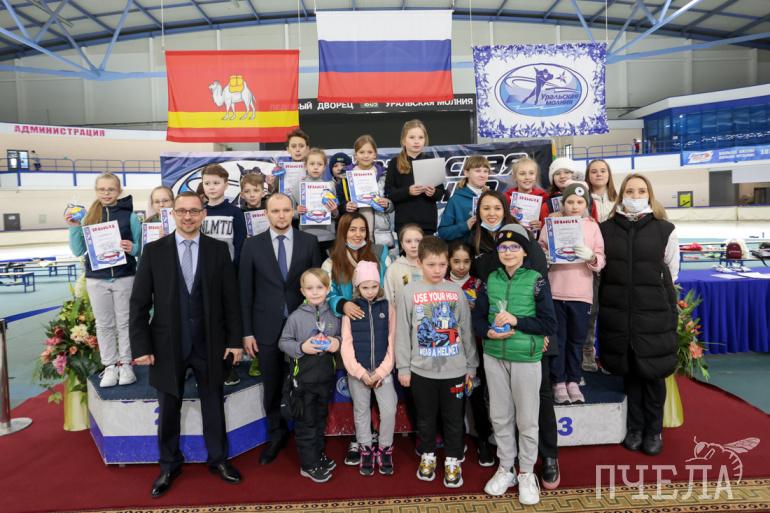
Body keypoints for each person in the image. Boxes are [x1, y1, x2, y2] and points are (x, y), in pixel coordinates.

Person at [129, 192, 244, 498]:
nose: (188, 216)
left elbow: (231, 300)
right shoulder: (154, 252)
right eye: (182, 211)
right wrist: (141, 347)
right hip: (166, 344)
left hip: (211, 343)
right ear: (173, 214)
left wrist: (234, 341)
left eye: (194, 211)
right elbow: (139, 303)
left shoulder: (218, 250)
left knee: (213, 404)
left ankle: (218, 459)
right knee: (168, 409)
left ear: (203, 215)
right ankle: (169, 465)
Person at [472, 224, 556, 505]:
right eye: (503, 247)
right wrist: (489, 332)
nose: (508, 252)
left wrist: (516, 321)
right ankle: (506, 467)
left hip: (525, 358)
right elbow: (478, 319)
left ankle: (527, 472)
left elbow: (548, 323)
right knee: (500, 415)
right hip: (494, 356)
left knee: (527, 419)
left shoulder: (536, 280)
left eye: (514, 247)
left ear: (524, 251)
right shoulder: (490, 280)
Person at [598, 174, 679, 457]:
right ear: (621, 195)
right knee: (630, 372)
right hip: (619, 312)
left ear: (649, 194)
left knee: (653, 374)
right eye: (630, 191)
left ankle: (653, 429)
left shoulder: (665, 229)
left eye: (641, 191)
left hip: (653, 313)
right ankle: (634, 427)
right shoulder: (606, 229)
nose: (635, 195)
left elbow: (672, 271)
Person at [239, 193, 323, 465]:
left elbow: (318, 289)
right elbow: (245, 292)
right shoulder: (252, 245)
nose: (281, 215)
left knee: (305, 386)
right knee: (273, 385)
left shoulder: (309, 241)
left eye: (286, 210)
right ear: (266, 213)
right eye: (275, 211)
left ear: (293, 212)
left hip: (304, 330)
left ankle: (306, 437)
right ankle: (275, 435)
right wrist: (247, 332)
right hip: (265, 330)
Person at [395, 236, 478, 488]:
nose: (437, 270)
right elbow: (402, 331)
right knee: (425, 417)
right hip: (421, 370)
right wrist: (403, 367)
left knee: (454, 418)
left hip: (454, 369)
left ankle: (453, 459)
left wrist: (471, 366)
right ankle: (428, 454)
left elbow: (466, 330)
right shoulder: (409, 292)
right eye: (431, 264)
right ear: (419, 263)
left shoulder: (456, 292)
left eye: (442, 264)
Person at [65, 172, 141, 388]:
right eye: (102, 189)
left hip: (124, 276)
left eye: (111, 189)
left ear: (119, 191)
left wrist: (132, 248)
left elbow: (141, 248)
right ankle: (110, 366)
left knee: (124, 323)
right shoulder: (87, 217)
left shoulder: (130, 217)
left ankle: (126, 364)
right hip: (97, 279)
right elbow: (78, 250)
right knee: (104, 324)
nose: (106, 193)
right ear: (96, 191)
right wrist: (73, 227)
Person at [538, 182, 605, 405]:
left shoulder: (592, 227)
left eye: (579, 202)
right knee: (558, 339)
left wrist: (591, 257)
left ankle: (573, 380)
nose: (575, 206)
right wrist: (545, 257)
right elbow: (540, 248)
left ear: (586, 204)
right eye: (570, 202)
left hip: (581, 294)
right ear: (562, 203)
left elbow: (601, 258)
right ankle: (558, 381)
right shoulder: (551, 225)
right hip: (556, 291)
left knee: (576, 340)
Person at [278, 268, 342, 483]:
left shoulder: (333, 315)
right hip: (303, 382)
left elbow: (341, 337)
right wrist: (301, 347)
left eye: (320, 287)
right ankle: (308, 465)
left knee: (320, 420)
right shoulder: (296, 317)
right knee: (306, 424)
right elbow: (283, 342)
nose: (315, 292)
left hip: (325, 379)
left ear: (328, 289)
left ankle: (317, 455)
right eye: (310, 288)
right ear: (302, 291)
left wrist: (336, 343)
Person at [340, 261, 397, 477]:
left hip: (383, 372)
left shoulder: (387, 308)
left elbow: (392, 341)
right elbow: (346, 345)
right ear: (357, 287)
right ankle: (365, 448)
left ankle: (385, 448)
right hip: (359, 373)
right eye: (365, 287)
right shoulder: (351, 311)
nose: (370, 291)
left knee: (389, 410)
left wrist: (382, 372)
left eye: (374, 286)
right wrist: (361, 373)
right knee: (361, 411)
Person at [447, 240, 494, 467]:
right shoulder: (442, 284)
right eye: (456, 261)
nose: (461, 266)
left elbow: (488, 315)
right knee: (452, 398)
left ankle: (483, 439)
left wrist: (477, 309)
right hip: (448, 350)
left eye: (466, 261)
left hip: (476, 348)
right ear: (448, 261)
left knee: (476, 396)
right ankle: (454, 441)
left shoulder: (479, 284)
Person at [583, 159, 618, 372]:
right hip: (592, 260)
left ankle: (610, 353)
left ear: (609, 174)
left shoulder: (619, 200)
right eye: (594, 171)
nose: (598, 174)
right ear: (588, 175)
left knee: (612, 311)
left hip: (615, 262)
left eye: (603, 171)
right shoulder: (582, 199)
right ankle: (588, 350)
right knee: (592, 310)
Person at [385, 119, 445, 235]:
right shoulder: (395, 162)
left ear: (425, 140)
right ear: (403, 140)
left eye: (420, 137)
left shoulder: (431, 162)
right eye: (412, 137)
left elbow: (441, 193)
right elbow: (389, 193)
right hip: (404, 223)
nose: (416, 141)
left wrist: (433, 192)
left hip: (427, 224)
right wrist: (408, 191)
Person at [341, 135, 395, 248]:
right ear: (355, 155)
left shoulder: (384, 175)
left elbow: (392, 201)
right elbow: (340, 203)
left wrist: (387, 204)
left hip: (380, 233)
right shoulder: (346, 177)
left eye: (370, 152)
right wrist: (346, 206)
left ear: (375, 154)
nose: (366, 155)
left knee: (379, 259)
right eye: (361, 152)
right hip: (355, 233)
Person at [291, 148, 339, 255]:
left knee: (326, 265)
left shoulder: (330, 186)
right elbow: (290, 213)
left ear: (324, 167)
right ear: (305, 166)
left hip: (327, 235)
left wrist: (334, 211)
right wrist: (297, 212)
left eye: (320, 164)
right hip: (306, 235)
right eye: (312, 164)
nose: (316, 167)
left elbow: (336, 214)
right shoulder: (297, 187)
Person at [200, 164, 247, 267]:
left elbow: (240, 246)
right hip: (203, 269)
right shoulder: (199, 212)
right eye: (207, 183)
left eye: (216, 183)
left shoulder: (236, 212)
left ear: (226, 185)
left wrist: (234, 269)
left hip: (228, 269)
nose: (211, 187)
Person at [437, 156, 490, 242]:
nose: (482, 175)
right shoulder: (455, 200)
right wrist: (466, 226)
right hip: (464, 248)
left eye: (485, 171)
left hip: (488, 248)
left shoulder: (492, 198)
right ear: (466, 173)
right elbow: (443, 232)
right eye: (478, 171)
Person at [538, 157, 597, 225]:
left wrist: (591, 221)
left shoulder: (589, 200)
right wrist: (549, 222)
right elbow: (544, 228)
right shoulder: (547, 205)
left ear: (574, 175)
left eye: (567, 172)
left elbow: (596, 225)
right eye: (557, 173)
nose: (562, 176)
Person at [503, 157, 548, 233]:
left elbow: (549, 224)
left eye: (531, 173)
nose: (527, 177)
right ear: (514, 177)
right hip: (513, 236)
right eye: (522, 174)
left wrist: (542, 224)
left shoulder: (544, 198)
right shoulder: (506, 198)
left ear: (536, 176)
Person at [383, 224, 424, 304]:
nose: (413, 245)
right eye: (408, 241)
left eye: (418, 241)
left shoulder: (431, 267)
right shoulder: (393, 269)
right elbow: (389, 300)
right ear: (402, 244)